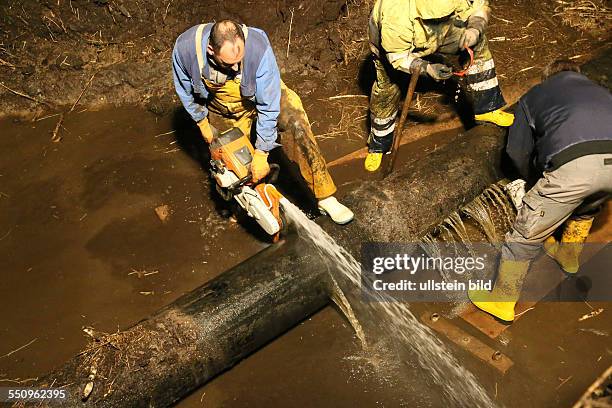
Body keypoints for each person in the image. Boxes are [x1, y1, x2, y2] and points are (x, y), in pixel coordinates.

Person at [469, 60, 612, 322]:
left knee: (524, 236)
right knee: (590, 204)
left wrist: (532, 182)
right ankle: (569, 255)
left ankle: (502, 300)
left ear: (546, 77)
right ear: (576, 74)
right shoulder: (600, 90)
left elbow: (516, 150)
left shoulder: (535, 95)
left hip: (576, 168)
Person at [172, 20, 354, 224]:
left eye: (239, 61)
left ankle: (325, 197)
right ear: (210, 49)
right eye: (228, 63)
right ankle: (246, 206)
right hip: (222, 108)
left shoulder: (258, 47)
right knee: (230, 161)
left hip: (263, 96)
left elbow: (269, 106)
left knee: (295, 122)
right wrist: (201, 121)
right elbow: (185, 89)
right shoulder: (186, 49)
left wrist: (262, 152)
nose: (235, 67)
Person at [365, 0, 514, 171]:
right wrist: (426, 68)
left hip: (444, 31)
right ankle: (379, 145)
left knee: (478, 43)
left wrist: (475, 27)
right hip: (395, 46)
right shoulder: (396, 14)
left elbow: (479, 5)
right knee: (387, 90)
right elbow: (398, 57)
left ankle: (487, 108)